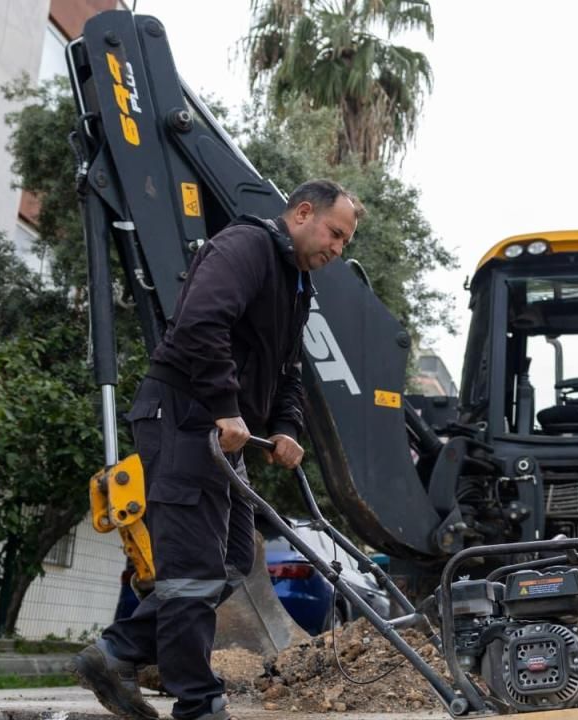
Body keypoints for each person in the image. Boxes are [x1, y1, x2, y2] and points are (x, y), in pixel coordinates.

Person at [73, 180, 362, 720]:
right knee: (191, 568)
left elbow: (289, 372)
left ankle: (117, 653)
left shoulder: (297, 284)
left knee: (230, 559)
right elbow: (202, 322)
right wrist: (227, 405)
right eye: (336, 233)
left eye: (345, 241)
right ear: (303, 213)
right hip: (185, 417)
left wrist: (286, 427)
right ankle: (199, 702)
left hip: (221, 434)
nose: (338, 249)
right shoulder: (245, 247)